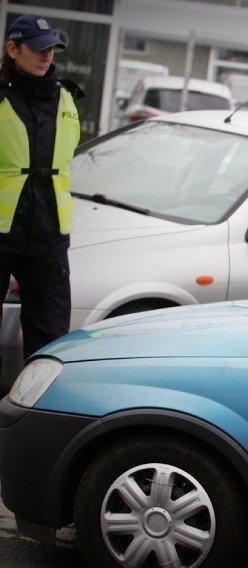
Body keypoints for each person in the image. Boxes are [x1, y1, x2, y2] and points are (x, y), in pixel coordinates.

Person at [0, 14, 81, 388]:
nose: (46, 55)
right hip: (2, 231)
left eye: (50, 48)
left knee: (50, 338)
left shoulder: (66, 98)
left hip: (49, 233)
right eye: (37, 48)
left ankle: (36, 412)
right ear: (12, 49)